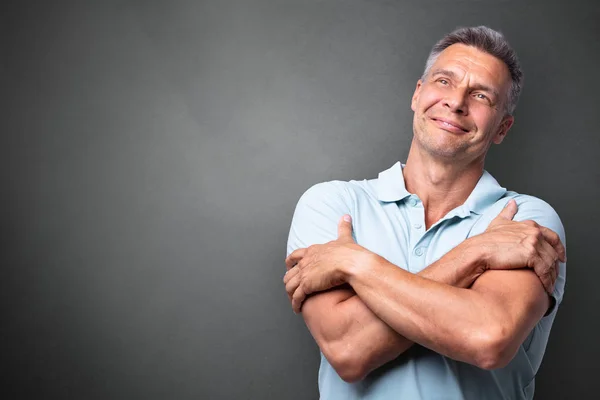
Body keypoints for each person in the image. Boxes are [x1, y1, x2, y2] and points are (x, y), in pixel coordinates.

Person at [283, 26, 566, 400]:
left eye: (481, 95)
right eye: (444, 81)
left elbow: (488, 338)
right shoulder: (333, 204)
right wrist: (477, 253)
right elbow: (348, 351)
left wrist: (354, 264)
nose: (456, 102)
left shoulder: (525, 221)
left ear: (503, 128)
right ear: (418, 94)